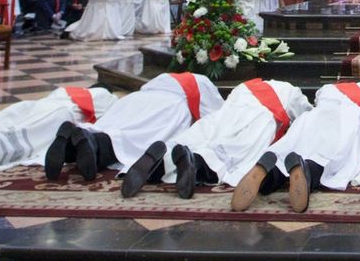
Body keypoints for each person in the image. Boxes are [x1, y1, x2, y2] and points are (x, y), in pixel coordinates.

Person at [119, 78, 312, 201]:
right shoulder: (293, 92)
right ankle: (195, 164)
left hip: (229, 111)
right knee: (229, 153)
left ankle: (160, 162)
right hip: (261, 118)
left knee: (205, 136)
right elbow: (305, 117)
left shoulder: (246, 85)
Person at [230, 81, 360, 212]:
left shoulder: (327, 88)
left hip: (313, 118)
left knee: (294, 145)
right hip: (350, 119)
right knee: (331, 157)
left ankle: (268, 176)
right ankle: (307, 170)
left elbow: (316, 102)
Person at [46, 71, 223, 184]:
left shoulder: (159, 82)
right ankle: (92, 145)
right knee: (131, 138)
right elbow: (214, 113)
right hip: (166, 107)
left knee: (109, 127)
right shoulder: (197, 86)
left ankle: (76, 140)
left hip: (134, 100)